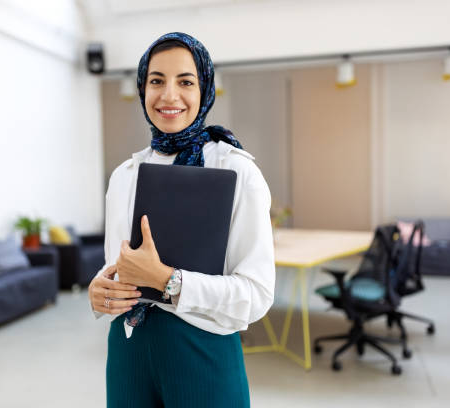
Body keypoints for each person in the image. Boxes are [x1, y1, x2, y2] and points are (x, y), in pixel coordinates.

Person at [87, 32, 275, 408]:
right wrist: (99, 293)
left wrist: (169, 282)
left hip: (203, 349)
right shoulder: (125, 174)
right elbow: (116, 268)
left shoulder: (236, 170)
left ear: (204, 89)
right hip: (129, 349)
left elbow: (256, 296)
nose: (169, 95)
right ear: (142, 89)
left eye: (185, 82)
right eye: (156, 81)